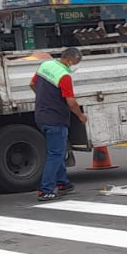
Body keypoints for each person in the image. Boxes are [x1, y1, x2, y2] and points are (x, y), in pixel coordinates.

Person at [32, 47, 88, 201]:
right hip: (55, 119)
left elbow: (32, 84)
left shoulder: (46, 65)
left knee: (58, 151)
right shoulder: (64, 76)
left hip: (41, 116)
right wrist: (80, 115)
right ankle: (46, 190)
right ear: (69, 60)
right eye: (75, 63)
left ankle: (63, 183)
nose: (74, 66)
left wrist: (46, 99)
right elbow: (71, 102)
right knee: (55, 154)